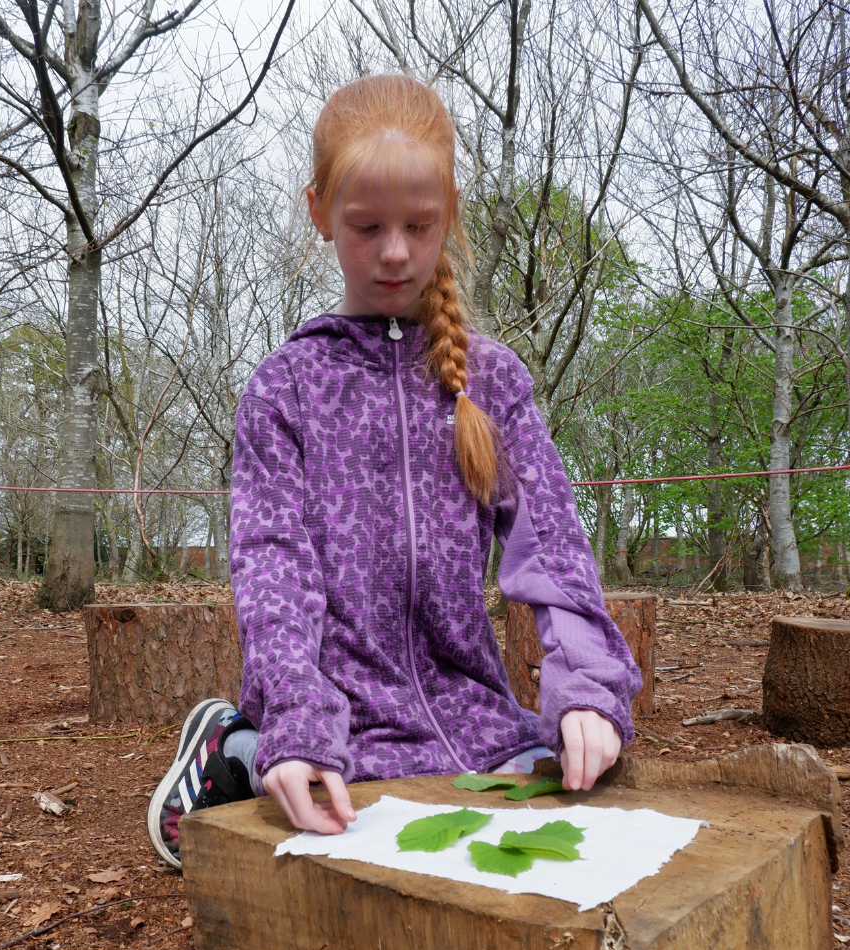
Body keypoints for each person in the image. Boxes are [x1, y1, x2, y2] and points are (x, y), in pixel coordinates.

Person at [147, 73, 641, 869]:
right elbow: (273, 568)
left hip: (476, 725)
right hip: (339, 730)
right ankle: (237, 748)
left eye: (419, 224)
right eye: (366, 226)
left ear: (451, 209)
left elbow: (552, 547)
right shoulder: (285, 388)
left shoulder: (495, 382)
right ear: (319, 213)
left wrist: (588, 692)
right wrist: (298, 724)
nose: (396, 251)